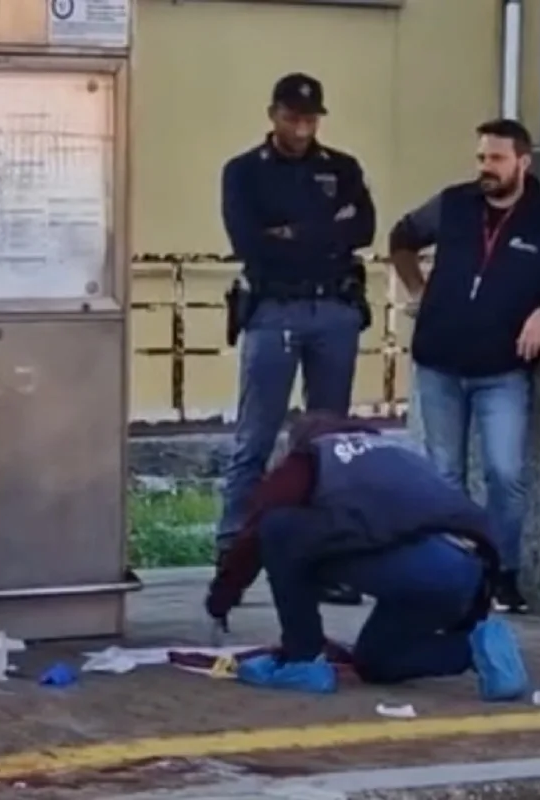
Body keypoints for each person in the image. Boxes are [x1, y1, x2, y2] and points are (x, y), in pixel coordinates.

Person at [388, 118, 540, 615]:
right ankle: (453, 574)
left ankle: (503, 573)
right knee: (444, 474)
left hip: (503, 368)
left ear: (523, 162)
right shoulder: (454, 204)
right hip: (439, 361)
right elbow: (402, 237)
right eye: (481, 157)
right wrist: (419, 290)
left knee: (506, 473)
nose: (486, 168)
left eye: (496, 159)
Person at [204, 413, 530, 699]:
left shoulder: (310, 457)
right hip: (466, 572)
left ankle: (303, 661)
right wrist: (473, 615)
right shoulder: (400, 454)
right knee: (378, 662)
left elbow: (254, 531)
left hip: (413, 566)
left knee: (279, 530)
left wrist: (222, 597)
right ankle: (475, 648)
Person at [218, 73, 376, 607]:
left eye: (310, 119)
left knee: (328, 443)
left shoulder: (341, 168)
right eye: (292, 118)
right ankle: (231, 556)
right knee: (255, 439)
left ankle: (324, 559)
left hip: (333, 308)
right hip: (274, 309)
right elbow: (251, 245)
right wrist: (320, 230)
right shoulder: (244, 173)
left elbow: (364, 229)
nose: (302, 128)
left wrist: (293, 231)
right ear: (273, 115)